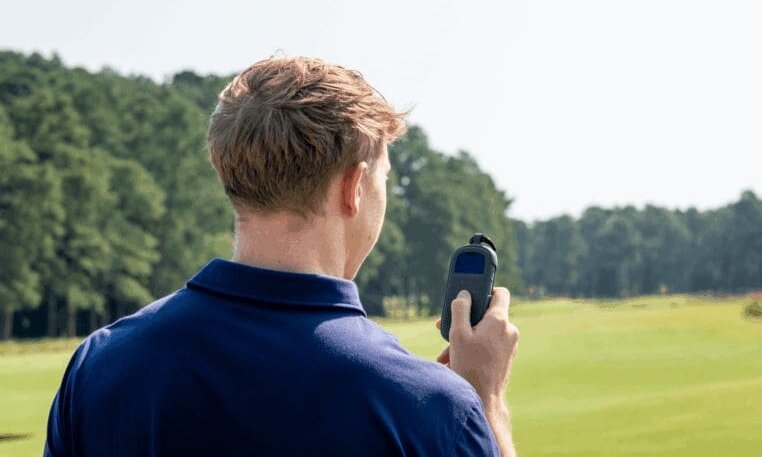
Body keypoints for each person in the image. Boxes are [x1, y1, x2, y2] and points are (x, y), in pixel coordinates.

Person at [44, 57, 520, 456]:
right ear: (354, 188)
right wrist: (486, 400)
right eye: (384, 179)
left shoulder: (100, 364)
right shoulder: (436, 408)